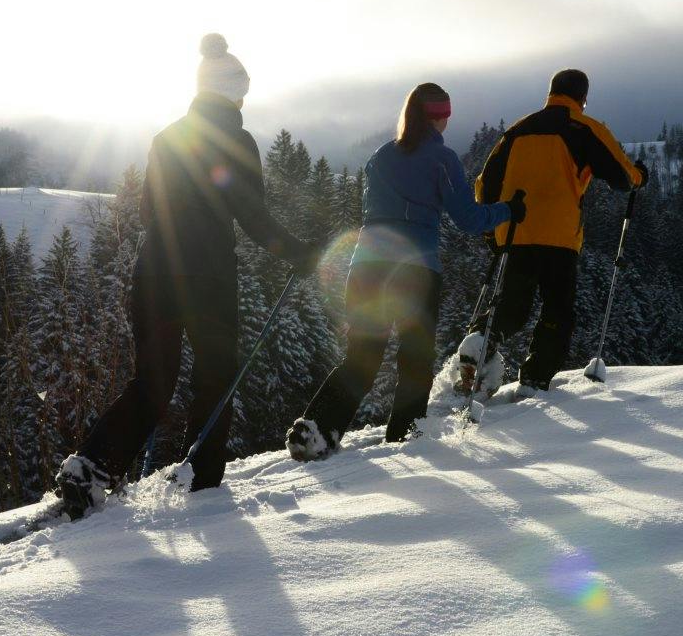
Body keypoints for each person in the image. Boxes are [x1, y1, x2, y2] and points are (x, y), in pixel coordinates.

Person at [54, 34, 316, 518]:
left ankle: (91, 466)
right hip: (208, 279)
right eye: (242, 91)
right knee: (214, 379)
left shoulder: (167, 137)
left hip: (155, 270)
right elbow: (252, 215)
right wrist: (298, 252)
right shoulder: (236, 140)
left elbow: (149, 210)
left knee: (153, 381)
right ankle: (203, 482)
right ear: (233, 92)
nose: (244, 100)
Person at [285, 83, 521, 460]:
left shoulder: (378, 158)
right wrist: (509, 210)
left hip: (366, 267)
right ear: (439, 117)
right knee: (414, 358)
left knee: (362, 357)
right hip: (414, 271)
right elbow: (470, 218)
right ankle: (404, 437)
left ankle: (318, 429)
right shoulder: (442, 159)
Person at [469, 68, 646, 394]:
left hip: (514, 231)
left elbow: (484, 182)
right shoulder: (585, 128)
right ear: (583, 98)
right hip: (558, 236)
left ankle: (479, 342)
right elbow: (621, 175)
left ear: (551, 92)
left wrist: (491, 226)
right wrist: (639, 176)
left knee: (512, 307)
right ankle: (534, 380)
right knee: (557, 309)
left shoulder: (517, 130)